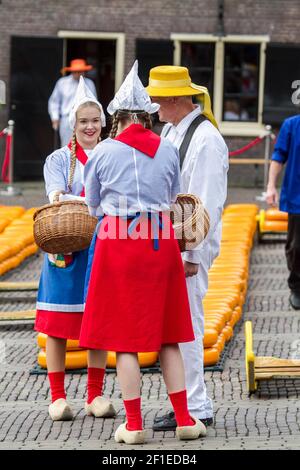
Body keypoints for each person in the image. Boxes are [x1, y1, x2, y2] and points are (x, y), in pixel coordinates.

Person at [79, 61, 207, 445]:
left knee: (125, 339)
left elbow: (92, 206)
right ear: (147, 117)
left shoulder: (103, 152)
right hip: (159, 242)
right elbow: (173, 198)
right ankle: (185, 419)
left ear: (116, 118)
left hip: (117, 244)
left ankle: (134, 425)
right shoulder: (168, 149)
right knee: (169, 335)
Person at [146, 65, 228, 431]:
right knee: (176, 326)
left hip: (188, 250)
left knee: (189, 327)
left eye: (158, 99)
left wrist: (192, 254)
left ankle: (196, 405)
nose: (155, 106)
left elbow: (206, 202)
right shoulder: (172, 130)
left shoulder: (206, 140)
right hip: (174, 244)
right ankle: (186, 403)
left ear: (175, 98)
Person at [35, 76, 115, 421]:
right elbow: (55, 197)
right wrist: (90, 202)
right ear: (73, 125)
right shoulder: (57, 160)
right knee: (57, 323)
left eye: (95, 120)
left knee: (96, 320)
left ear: (103, 123)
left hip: (102, 248)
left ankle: (95, 395)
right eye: (83, 121)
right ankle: (57, 396)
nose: (90, 127)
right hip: (65, 247)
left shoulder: (112, 156)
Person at [266, 114, 300, 310]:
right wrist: (271, 186)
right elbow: (279, 156)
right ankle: (296, 286)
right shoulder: (291, 125)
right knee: (296, 246)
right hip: (297, 196)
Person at [48, 59, 98, 146]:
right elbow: (54, 101)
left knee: (85, 146)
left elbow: (94, 103)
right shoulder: (62, 83)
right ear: (72, 72)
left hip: (85, 120)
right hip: (67, 120)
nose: (79, 74)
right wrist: (55, 117)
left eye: (81, 71)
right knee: (67, 147)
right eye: (76, 72)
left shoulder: (89, 83)